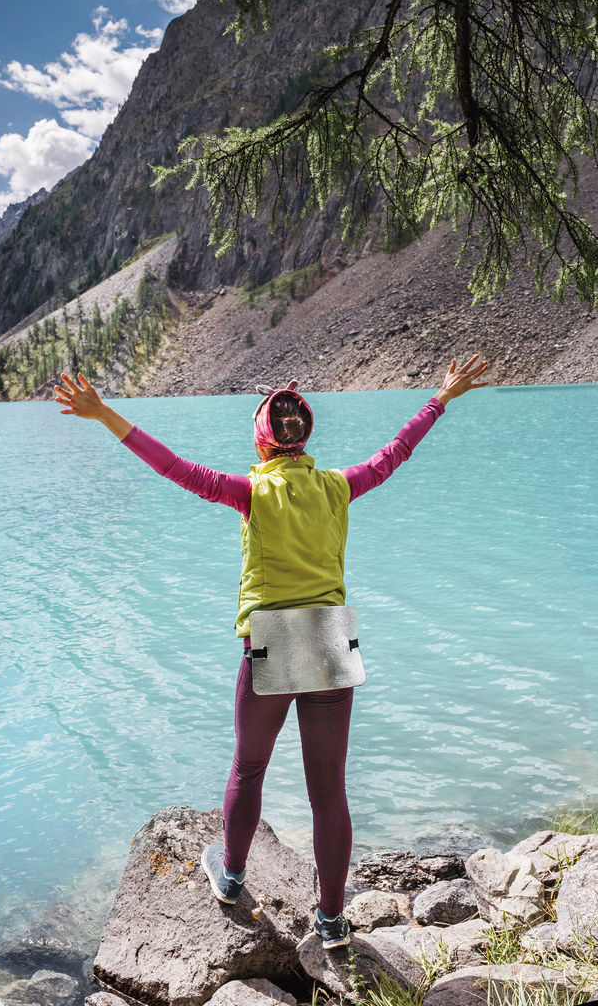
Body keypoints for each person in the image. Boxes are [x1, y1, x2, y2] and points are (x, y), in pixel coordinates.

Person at [53, 356, 489, 949]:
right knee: (329, 791)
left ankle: (231, 879)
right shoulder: (337, 485)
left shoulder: (251, 491)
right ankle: (333, 922)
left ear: (263, 439)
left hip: (273, 639)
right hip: (331, 637)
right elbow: (394, 453)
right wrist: (440, 398)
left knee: (248, 767)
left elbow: (175, 468)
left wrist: (104, 413)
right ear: (303, 435)